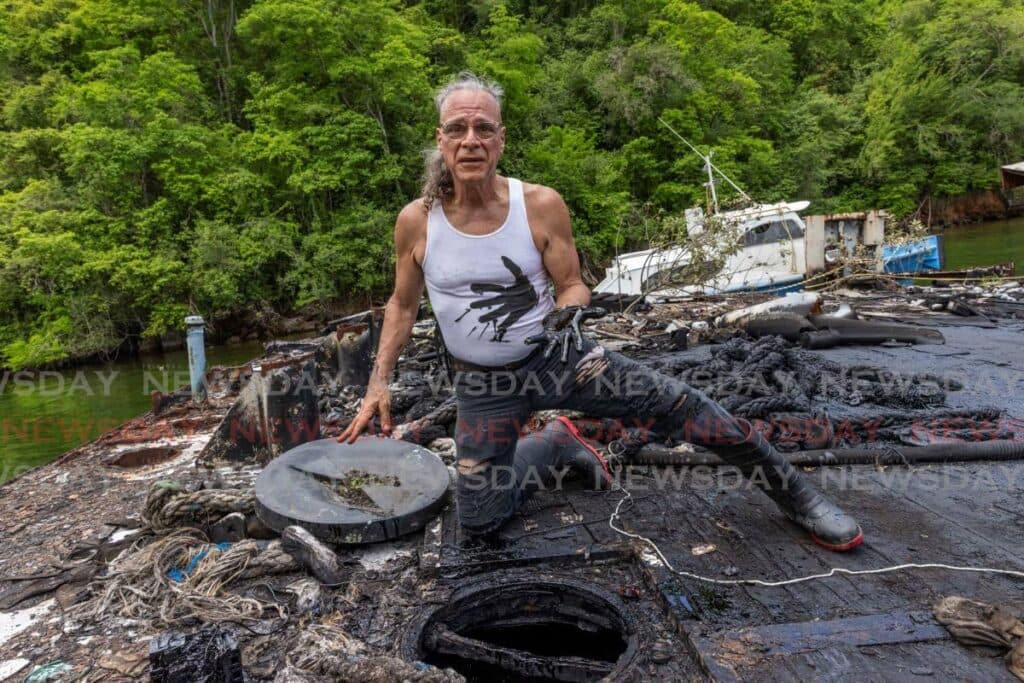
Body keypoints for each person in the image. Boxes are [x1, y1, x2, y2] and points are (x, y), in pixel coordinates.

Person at [338, 73, 863, 552]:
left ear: (501, 139)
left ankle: (797, 494)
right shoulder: (418, 221)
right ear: (441, 139)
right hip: (484, 384)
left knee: (684, 407)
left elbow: (572, 285)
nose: (470, 140)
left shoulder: (539, 205)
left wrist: (567, 314)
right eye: (457, 128)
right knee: (479, 519)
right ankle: (554, 444)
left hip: (560, 358)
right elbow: (402, 305)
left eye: (483, 128)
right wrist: (378, 383)